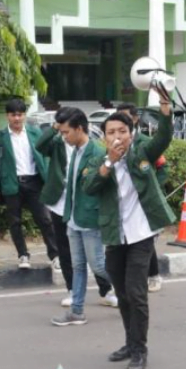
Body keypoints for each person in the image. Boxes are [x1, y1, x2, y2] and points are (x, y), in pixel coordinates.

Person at [83, 99, 176, 369]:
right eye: (111, 132)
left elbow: (163, 137)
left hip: (141, 234)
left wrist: (166, 114)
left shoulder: (142, 152)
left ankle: (140, 350)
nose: (116, 137)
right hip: (115, 236)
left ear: (130, 132)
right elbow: (88, 186)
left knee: (136, 294)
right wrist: (108, 164)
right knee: (122, 293)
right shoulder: (98, 160)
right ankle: (129, 342)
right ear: (105, 136)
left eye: (121, 131)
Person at [49, 108, 118, 326]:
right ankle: (77, 311)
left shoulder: (97, 153)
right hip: (73, 218)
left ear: (79, 129)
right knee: (78, 267)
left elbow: (99, 187)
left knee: (98, 265)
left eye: (66, 132)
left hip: (90, 219)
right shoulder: (75, 151)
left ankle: (128, 287)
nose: (64, 136)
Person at [0, 98, 58, 270]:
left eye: (20, 115)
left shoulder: (35, 133)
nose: (17, 119)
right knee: (15, 222)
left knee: (45, 219)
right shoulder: (1, 137)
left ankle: (55, 255)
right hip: (12, 183)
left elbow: (45, 157)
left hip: (34, 181)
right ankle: (23, 255)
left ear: (24, 116)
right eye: (13, 115)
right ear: (7, 116)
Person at [116, 103, 167, 293]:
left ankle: (153, 276)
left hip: (145, 204)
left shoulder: (146, 143)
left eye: (124, 117)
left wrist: (153, 188)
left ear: (135, 119)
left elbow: (164, 168)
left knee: (145, 240)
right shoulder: (112, 145)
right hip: (125, 205)